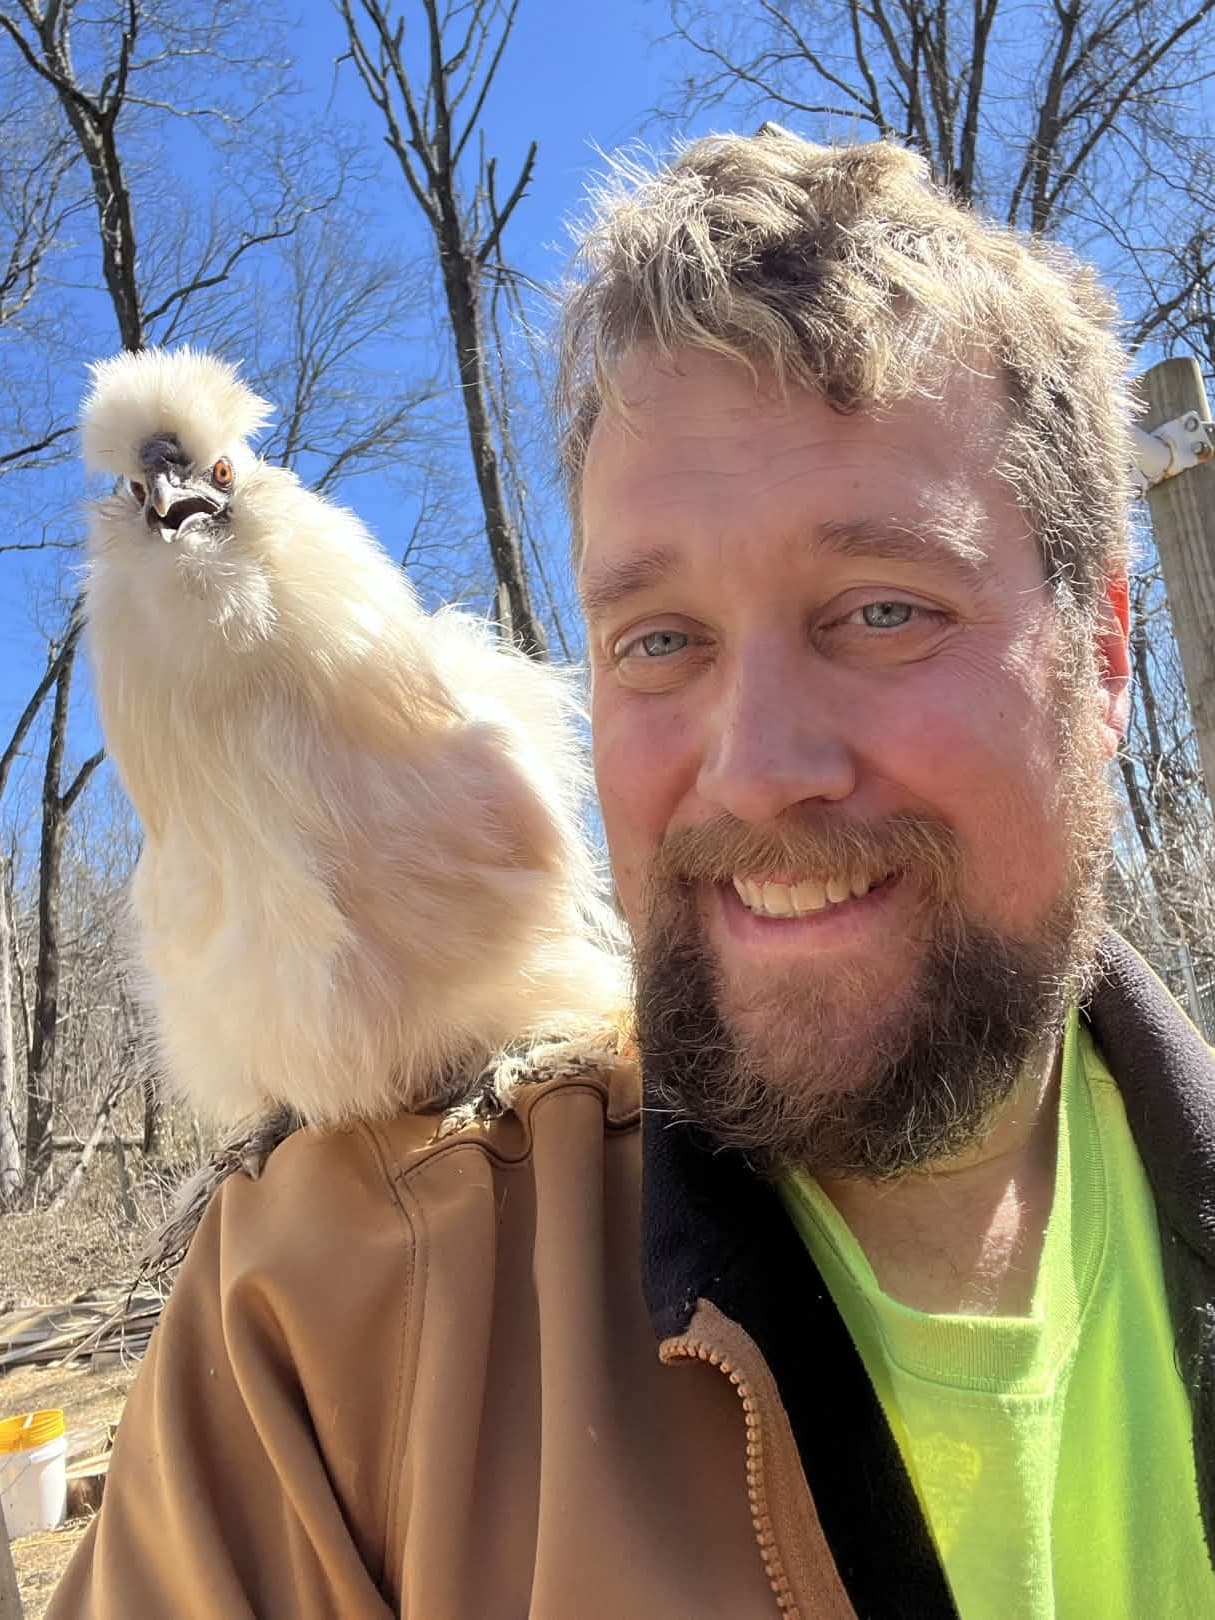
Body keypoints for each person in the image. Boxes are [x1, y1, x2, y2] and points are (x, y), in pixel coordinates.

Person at [50, 130, 1215, 1619]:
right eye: (659, 639)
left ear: (1108, 652)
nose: (756, 765)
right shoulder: (325, 1337)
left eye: (879, 609)